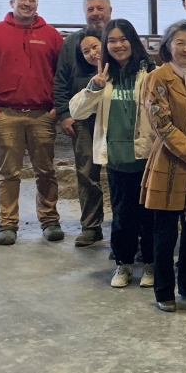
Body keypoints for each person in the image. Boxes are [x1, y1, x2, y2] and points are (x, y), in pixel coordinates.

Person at [69, 20, 157, 288]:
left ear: (133, 40)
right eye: (112, 41)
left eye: (123, 39)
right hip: (117, 158)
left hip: (146, 157)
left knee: (149, 216)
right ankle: (124, 264)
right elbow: (77, 112)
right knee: (122, 216)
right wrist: (94, 87)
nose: (118, 45)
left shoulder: (151, 72)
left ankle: (151, 265)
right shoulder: (102, 77)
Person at [0, 0, 64, 246]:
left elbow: (62, 74)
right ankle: (7, 223)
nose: (27, 4)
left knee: (46, 170)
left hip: (41, 115)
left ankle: (49, 219)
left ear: (38, 4)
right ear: (12, 3)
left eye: (33, 0)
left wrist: (56, 109)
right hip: (6, 114)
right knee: (8, 172)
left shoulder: (51, 36)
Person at [140, 21, 186, 312]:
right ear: (168, 46)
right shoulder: (157, 77)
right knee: (165, 231)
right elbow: (161, 123)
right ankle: (163, 291)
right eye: (180, 42)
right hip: (170, 160)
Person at [53, 0, 112, 248]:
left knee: (122, 172)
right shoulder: (72, 43)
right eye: (90, 9)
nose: (96, 13)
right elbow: (61, 80)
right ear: (85, 12)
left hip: (116, 115)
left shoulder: (119, 37)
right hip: (83, 117)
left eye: (100, 8)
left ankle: (125, 224)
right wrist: (65, 115)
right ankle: (91, 225)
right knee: (87, 171)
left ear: (109, 10)